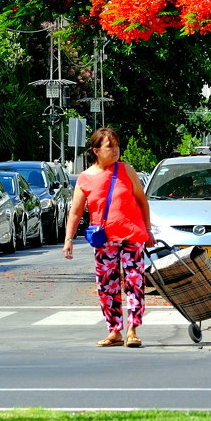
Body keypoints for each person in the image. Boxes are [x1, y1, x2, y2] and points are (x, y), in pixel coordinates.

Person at [63, 127, 154, 348]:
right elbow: (75, 211)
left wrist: (148, 230)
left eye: (117, 146)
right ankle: (114, 331)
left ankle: (132, 330)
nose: (115, 151)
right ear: (96, 150)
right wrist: (68, 239)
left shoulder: (126, 170)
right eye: (109, 146)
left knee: (134, 281)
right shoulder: (85, 178)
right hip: (104, 240)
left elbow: (142, 201)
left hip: (131, 235)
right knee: (107, 285)